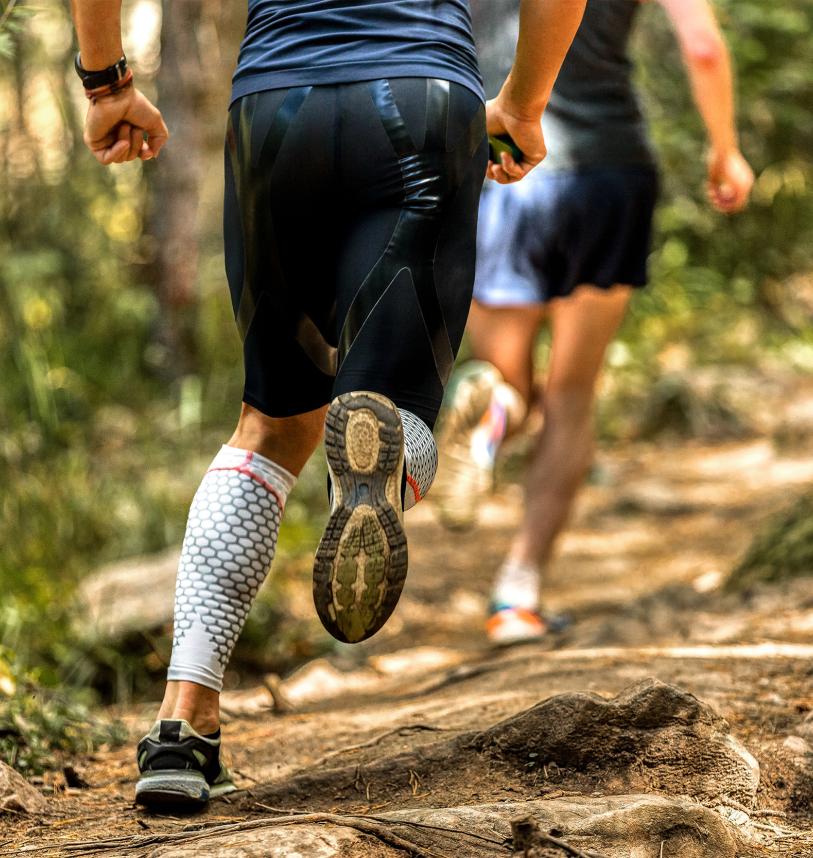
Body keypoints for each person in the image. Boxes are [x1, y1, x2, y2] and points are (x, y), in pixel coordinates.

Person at [69, 0, 587, 808]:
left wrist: (106, 81)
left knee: (270, 425)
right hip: (422, 98)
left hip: (277, 106)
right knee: (393, 400)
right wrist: (522, 103)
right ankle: (380, 459)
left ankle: (182, 726)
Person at [432, 0, 754, 645]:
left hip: (498, 163)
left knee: (505, 379)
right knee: (571, 394)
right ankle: (516, 595)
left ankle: (491, 417)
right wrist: (725, 151)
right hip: (607, 169)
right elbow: (703, 47)